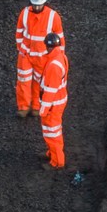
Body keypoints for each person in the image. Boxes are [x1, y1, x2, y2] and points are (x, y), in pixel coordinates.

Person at [15, 0, 65, 118]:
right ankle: (23, 107)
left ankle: (36, 106)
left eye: (39, 5)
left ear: (44, 3)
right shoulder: (24, 13)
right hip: (26, 54)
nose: (36, 7)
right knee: (23, 80)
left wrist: (59, 57)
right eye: (34, 5)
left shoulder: (53, 17)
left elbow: (60, 40)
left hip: (43, 56)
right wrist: (21, 48)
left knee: (40, 82)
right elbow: (19, 32)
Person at [38, 32, 69, 169]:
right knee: (54, 131)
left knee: (52, 132)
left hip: (53, 104)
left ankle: (57, 162)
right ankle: (52, 153)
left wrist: (44, 109)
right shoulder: (60, 57)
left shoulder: (53, 65)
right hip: (58, 101)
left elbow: (50, 91)